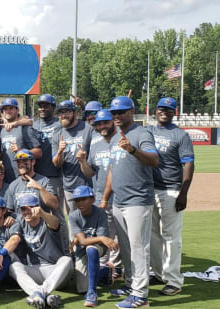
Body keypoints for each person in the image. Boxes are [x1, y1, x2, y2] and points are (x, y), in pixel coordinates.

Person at [101, 96, 158, 308]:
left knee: (138, 247)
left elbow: (154, 160)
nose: (116, 116)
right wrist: (106, 198)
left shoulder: (142, 133)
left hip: (138, 199)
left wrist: (133, 149)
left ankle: (141, 295)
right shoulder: (116, 136)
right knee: (125, 248)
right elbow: (113, 170)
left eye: (121, 112)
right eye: (114, 113)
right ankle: (130, 284)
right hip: (120, 200)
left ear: (131, 112)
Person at [146, 97, 195, 296]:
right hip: (150, 189)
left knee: (171, 237)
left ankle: (174, 280)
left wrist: (183, 193)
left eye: (168, 109)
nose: (163, 112)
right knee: (153, 236)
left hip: (171, 189)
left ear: (174, 112)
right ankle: (159, 274)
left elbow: (189, 164)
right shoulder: (148, 131)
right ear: (155, 111)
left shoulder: (180, 135)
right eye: (161, 108)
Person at [77, 109, 123, 278]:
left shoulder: (120, 141)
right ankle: (106, 268)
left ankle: (117, 267)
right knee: (105, 234)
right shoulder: (96, 145)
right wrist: (82, 161)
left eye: (106, 122)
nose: (102, 126)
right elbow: (89, 173)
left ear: (113, 122)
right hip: (100, 196)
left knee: (122, 236)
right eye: (99, 124)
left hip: (120, 196)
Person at [8, 195, 72, 309]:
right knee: (14, 266)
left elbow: (55, 223)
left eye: (30, 208)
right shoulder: (20, 221)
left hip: (54, 271)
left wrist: (42, 213)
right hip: (35, 270)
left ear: (37, 208)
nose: (26, 212)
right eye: (23, 209)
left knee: (66, 260)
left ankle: (39, 292)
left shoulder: (46, 220)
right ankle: (43, 294)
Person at [68, 185, 117, 307]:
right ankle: (105, 271)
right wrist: (101, 237)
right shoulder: (73, 216)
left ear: (92, 199)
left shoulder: (100, 213)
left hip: (97, 248)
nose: (80, 203)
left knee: (91, 249)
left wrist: (100, 240)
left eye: (83, 199)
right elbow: (83, 241)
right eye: (77, 200)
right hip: (81, 250)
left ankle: (92, 293)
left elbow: (99, 243)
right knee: (81, 288)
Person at [51, 100, 94, 216]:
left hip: (89, 185)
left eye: (67, 112)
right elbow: (57, 164)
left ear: (75, 113)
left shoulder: (88, 129)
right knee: (74, 222)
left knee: (91, 222)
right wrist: (60, 152)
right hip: (69, 187)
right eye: (60, 113)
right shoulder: (57, 135)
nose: (63, 115)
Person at [32, 94, 64, 219]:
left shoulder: (60, 124)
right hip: (37, 175)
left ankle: (63, 239)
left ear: (53, 107)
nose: (42, 109)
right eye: (40, 106)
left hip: (54, 174)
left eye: (46, 106)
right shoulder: (34, 125)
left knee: (57, 212)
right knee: (38, 210)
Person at [0, 98, 41, 182]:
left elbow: (39, 152)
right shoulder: (2, 130)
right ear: (3, 112)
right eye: (5, 109)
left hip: (23, 177)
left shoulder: (25, 128)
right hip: (7, 178)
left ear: (17, 110)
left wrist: (21, 151)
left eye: (11, 108)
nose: (8, 111)